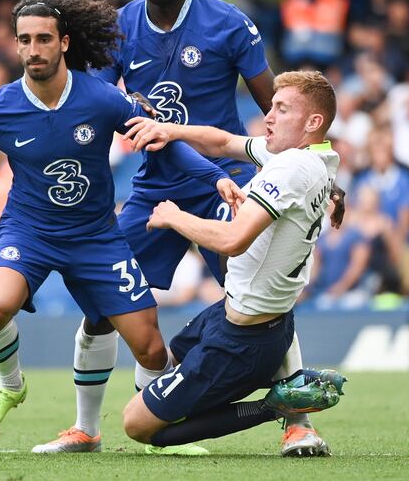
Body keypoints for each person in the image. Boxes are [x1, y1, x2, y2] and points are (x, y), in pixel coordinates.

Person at [37, 0, 344, 457]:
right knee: (102, 301)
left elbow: (283, 110)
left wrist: (322, 173)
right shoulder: (121, 27)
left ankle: (298, 422)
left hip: (222, 186)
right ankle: (86, 428)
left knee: (265, 306)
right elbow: (97, 99)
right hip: (152, 189)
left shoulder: (228, 23)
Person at [0, 0, 244, 434]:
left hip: (96, 236)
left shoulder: (101, 98)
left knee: (151, 349)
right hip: (28, 232)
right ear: (15, 45)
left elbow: (161, 144)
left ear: (64, 43)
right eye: (25, 40)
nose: (34, 49)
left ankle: (158, 433)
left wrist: (216, 177)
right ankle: (10, 386)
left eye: (44, 39)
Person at [119, 70, 343, 455]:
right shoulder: (308, 157)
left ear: (313, 122)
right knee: (171, 355)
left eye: (281, 109)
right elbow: (222, 142)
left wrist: (175, 216)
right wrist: (170, 130)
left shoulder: (293, 168)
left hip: (244, 339)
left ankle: (274, 405)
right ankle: (274, 400)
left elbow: (233, 240)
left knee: (136, 425)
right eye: (271, 106)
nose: (268, 116)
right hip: (234, 314)